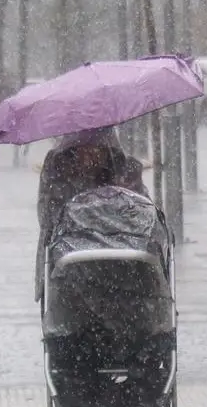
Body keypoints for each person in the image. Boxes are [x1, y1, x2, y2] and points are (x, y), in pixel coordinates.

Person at [35, 126, 149, 305]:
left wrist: (123, 194)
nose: (89, 153)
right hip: (71, 251)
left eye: (96, 146)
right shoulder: (57, 166)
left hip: (120, 254)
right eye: (82, 146)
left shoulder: (125, 168)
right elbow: (48, 215)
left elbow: (143, 214)